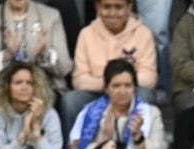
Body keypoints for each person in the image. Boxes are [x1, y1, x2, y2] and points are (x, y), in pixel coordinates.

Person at [64, 0, 158, 135]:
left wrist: (121, 85)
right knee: (71, 100)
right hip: (97, 92)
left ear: (129, 8)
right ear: (98, 7)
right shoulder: (86, 34)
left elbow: (149, 78)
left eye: (118, 7)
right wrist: (110, 84)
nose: (112, 13)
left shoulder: (143, 33)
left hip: (129, 91)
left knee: (145, 95)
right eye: (107, 7)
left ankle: (136, 145)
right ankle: (73, 147)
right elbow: (79, 80)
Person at [67, 57, 167, 149]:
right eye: (116, 86)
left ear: (135, 88)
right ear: (106, 88)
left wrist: (138, 137)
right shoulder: (89, 114)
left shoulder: (151, 113)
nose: (122, 91)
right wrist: (105, 141)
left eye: (128, 85)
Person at [0, 0, 72, 103]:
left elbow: (64, 68)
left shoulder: (51, 16)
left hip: (43, 86)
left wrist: (44, 54)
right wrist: (7, 54)